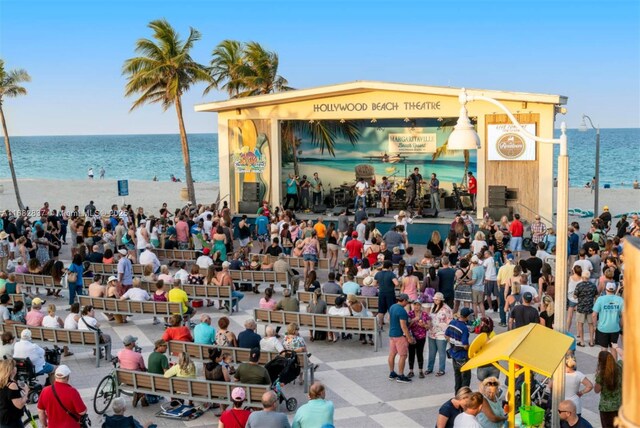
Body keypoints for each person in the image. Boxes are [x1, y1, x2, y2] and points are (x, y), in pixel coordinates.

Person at [592, 282, 623, 359]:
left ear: (606, 289)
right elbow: (624, 316)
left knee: (604, 349)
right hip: (615, 328)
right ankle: (614, 367)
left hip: (603, 328)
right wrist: (620, 325)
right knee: (614, 348)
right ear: (615, 289)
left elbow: (594, 315)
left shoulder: (600, 299)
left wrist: (594, 326)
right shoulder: (620, 300)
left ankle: (604, 367)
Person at [387, 293, 414, 383]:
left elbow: (389, 319)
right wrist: (409, 338)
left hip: (392, 334)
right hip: (399, 336)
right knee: (403, 355)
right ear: (404, 300)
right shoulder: (402, 311)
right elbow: (403, 326)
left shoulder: (392, 307)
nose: (407, 303)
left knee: (392, 354)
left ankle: (392, 373)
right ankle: (401, 375)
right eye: (407, 301)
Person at [445, 308, 472, 393]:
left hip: (454, 355)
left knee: (457, 377)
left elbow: (446, 336)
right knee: (465, 378)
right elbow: (465, 345)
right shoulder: (464, 328)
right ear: (467, 317)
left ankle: (457, 395)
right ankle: (464, 396)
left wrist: (453, 344)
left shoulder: (452, 322)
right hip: (462, 356)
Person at [594, 350, 623, 427]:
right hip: (619, 405)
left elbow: (596, 390)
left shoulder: (601, 375)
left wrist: (597, 375)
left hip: (606, 408)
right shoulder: (620, 366)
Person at [0, 358, 29, 427]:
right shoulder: (12, 385)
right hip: (11, 419)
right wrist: (27, 391)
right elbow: (19, 405)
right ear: (11, 370)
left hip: (3, 417)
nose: (16, 368)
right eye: (15, 366)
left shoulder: (3, 382)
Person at [407, 300, 430, 379]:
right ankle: (411, 371)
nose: (416, 307)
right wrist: (413, 320)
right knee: (411, 353)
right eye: (415, 305)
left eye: (418, 305)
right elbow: (406, 326)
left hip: (421, 337)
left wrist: (423, 325)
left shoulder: (424, 314)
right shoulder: (410, 314)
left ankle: (420, 371)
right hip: (411, 336)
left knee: (420, 353)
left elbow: (428, 326)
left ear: (421, 306)